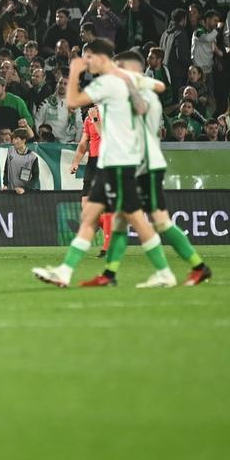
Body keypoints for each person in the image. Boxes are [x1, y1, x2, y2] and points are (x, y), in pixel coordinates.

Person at [33, 39, 175, 288]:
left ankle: (164, 271)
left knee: (137, 221)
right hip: (111, 162)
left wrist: (75, 72)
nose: (86, 62)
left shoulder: (109, 83)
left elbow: (73, 102)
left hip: (120, 164)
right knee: (91, 217)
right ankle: (67, 271)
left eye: (89, 57)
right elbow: (159, 86)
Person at [84, 50, 212, 287]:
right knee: (123, 220)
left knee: (159, 222)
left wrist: (100, 119)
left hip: (144, 167)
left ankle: (192, 267)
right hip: (139, 165)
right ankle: (110, 275)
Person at [69, 105, 111, 256]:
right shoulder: (89, 116)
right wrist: (75, 162)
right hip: (92, 162)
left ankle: (107, 246)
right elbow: (83, 142)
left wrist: (95, 119)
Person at [0, 126, 39, 193]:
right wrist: (5, 185)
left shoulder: (33, 157)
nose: (13, 141)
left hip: (26, 193)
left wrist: (24, 189)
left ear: (23, 140)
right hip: (11, 192)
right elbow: (6, 170)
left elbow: (35, 177)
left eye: (16, 139)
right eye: (13, 138)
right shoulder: (10, 151)